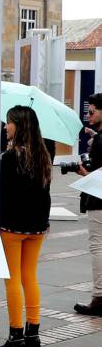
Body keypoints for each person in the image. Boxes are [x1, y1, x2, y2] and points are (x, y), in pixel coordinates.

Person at [0, 106, 52, 347]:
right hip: (38, 227)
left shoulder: (9, 158)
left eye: (9, 123)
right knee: (30, 276)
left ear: (19, 125)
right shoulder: (44, 154)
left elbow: (1, 193)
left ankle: (15, 336)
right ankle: (33, 334)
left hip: (12, 227)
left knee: (13, 279)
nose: (6, 127)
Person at [75, 93, 102, 316]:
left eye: (92, 111)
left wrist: (81, 171)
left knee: (98, 248)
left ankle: (99, 298)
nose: (88, 115)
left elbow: (96, 175)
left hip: (98, 201)